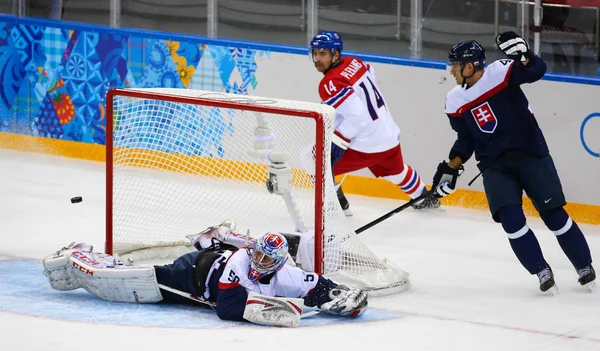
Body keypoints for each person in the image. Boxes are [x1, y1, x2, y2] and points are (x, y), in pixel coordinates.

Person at [431, 32, 595, 294]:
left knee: (554, 215)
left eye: (455, 64)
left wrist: (526, 56)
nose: (451, 70)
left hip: (531, 155)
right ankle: (541, 270)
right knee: (511, 220)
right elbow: (466, 139)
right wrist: (451, 167)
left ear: (470, 65)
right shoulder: (454, 100)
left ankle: (583, 265)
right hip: (495, 166)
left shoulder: (502, 72)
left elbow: (536, 71)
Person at [42, 220, 368, 327]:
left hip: (216, 258)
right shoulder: (241, 263)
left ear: (280, 262)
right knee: (147, 278)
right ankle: (82, 253)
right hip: (193, 272)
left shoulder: (290, 275)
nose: (258, 261)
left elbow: (323, 288)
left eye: (266, 260)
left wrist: (345, 299)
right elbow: (227, 311)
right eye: (256, 253)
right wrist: (269, 307)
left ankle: (212, 236)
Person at [310, 31, 440, 214]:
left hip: (367, 144)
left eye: (322, 53)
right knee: (397, 172)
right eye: (315, 53)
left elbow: (358, 116)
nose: (317, 58)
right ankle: (425, 199)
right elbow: (370, 71)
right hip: (388, 135)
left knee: (313, 160)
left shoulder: (329, 83)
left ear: (336, 54)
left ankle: (338, 207)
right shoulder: (355, 62)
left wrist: (338, 141)